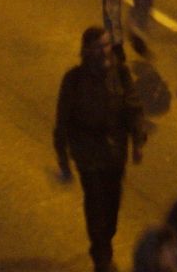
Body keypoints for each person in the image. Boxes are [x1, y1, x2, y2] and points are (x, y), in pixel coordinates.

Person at [54, 26, 148, 272]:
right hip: (88, 152)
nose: (104, 51)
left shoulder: (121, 74)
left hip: (115, 151)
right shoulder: (74, 79)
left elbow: (133, 108)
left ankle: (105, 239)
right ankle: (101, 255)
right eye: (98, 47)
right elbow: (62, 121)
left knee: (112, 205)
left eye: (106, 45)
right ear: (87, 51)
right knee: (95, 204)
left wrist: (138, 141)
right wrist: (63, 161)